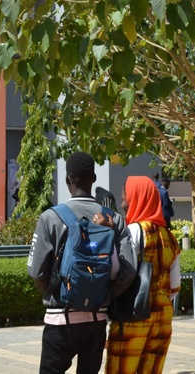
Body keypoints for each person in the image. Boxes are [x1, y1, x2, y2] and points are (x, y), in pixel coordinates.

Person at [27, 152, 135, 374]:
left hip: (60, 320)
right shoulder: (114, 220)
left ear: (68, 180)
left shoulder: (50, 218)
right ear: (94, 179)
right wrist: (106, 294)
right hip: (97, 320)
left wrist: (53, 293)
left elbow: (36, 271)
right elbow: (129, 271)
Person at [105, 176, 181, 374]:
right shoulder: (170, 237)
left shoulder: (131, 232)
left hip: (133, 319)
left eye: (124, 199)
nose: (123, 205)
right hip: (162, 322)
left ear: (136, 199)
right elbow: (174, 286)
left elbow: (117, 273)